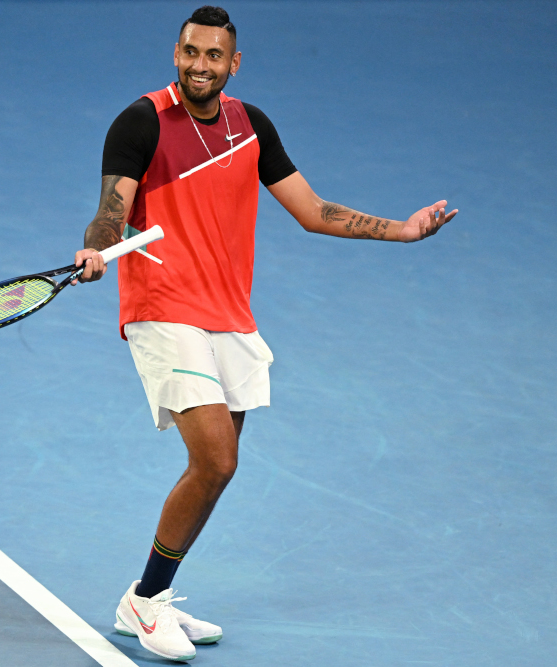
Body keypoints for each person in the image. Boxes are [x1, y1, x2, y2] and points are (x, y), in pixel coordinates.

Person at [73, 5, 457, 662]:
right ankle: (144, 603)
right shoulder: (140, 121)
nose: (200, 65)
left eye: (213, 56)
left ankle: (148, 593)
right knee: (219, 456)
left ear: (234, 63)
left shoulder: (250, 126)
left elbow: (312, 210)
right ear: (176, 52)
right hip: (163, 307)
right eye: (190, 53)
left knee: (214, 470)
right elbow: (112, 207)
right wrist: (98, 247)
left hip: (229, 314)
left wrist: (403, 229)